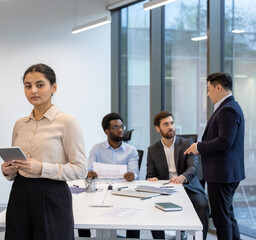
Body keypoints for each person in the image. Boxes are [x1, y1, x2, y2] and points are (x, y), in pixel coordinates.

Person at [1, 63, 87, 240]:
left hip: (52, 193)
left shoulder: (67, 122)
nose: (33, 90)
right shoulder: (19, 124)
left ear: (53, 87)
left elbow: (81, 168)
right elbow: (16, 165)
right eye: (28, 86)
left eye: (40, 85)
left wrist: (42, 168)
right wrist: (8, 170)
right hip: (20, 192)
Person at [184, 72, 245, 240]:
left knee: (221, 218)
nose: (208, 94)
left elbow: (225, 141)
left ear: (218, 87)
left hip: (222, 174)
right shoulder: (230, 107)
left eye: (209, 89)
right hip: (225, 172)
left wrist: (199, 146)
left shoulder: (228, 109)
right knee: (227, 215)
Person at [147, 111, 209, 240]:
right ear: (157, 128)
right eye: (166, 124)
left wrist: (183, 177)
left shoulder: (187, 143)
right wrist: (152, 179)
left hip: (188, 187)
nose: (170, 127)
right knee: (151, 206)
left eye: (172, 123)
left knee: (202, 205)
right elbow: (150, 174)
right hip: (166, 190)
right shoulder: (152, 149)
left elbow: (193, 167)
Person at [79, 112, 139, 238]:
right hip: (100, 191)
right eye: (116, 127)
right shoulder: (96, 149)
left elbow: (135, 173)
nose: (121, 130)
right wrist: (90, 174)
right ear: (107, 131)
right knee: (82, 209)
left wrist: (131, 176)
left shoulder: (131, 151)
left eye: (122, 126)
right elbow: (89, 171)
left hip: (123, 192)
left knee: (134, 210)